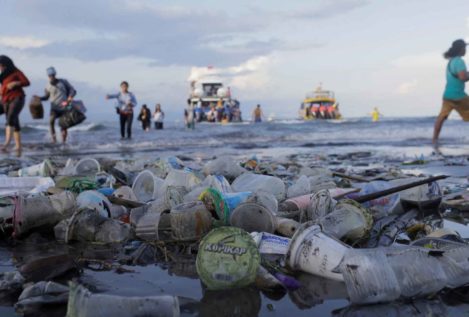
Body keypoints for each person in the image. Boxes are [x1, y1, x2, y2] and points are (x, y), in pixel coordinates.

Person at [433, 39, 469, 144]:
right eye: (465, 48)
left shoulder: (451, 62)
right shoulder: (460, 61)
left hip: (447, 95)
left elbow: (459, 74)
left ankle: (434, 139)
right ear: (461, 49)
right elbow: (462, 77)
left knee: (441, 117)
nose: (466, 50)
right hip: (458, 96)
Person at [37, 67, 76, 143]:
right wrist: (39, 98)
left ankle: (63, 142)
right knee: (51, 121)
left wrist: (70, 96)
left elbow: (72, 90)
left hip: (65, 106)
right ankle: (54, 140)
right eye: (50, 75)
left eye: (53, 75)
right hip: (54, 107)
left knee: (63, 125)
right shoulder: (47, 86)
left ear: (55, 74)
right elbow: (46, 97)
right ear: (48, 76)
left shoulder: (63, 82)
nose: (52, 77)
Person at [0, 55, 30, 152]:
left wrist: (16, 83)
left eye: (1, 65)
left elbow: (26, 82)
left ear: (6, 64)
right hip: (5, 100)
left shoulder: (16, 72)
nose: (0, 67)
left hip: (17, 98)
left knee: (10, 118)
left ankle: (6, 143)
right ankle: (18, 146)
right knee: (15, 122)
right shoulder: (3, 75)